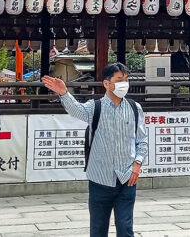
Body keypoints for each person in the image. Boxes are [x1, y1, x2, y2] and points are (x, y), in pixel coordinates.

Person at [42, 62, 148, 237]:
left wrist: (137, 164)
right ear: (107, 83)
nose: (124, 84)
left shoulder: (135, 109)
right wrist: (64, 93)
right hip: (100, 179)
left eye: (126, 79)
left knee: (125, 228)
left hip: (127, 179)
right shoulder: (95, 107)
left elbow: (142, 141)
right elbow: (77, 111)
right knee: (98, 230)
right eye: (119, 79)